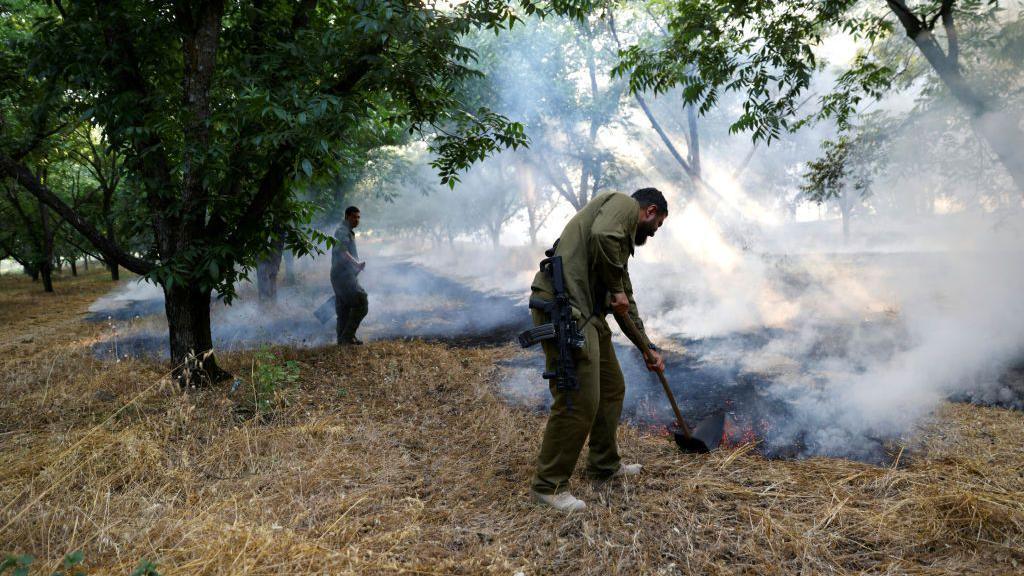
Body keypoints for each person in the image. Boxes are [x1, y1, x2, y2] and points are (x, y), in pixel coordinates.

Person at [529, 188, 668, 512]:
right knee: (579, 399)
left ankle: (604, 465)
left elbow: (625, 305)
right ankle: (548, 486)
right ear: (649, 211)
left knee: (611, 388)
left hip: (587, 315)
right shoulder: (622, 204)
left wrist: (647, 347)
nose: (652, 233)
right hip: (565, 309)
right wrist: (617, 290)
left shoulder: (615, 253)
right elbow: (604, 234)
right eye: (657, 225)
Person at [331, 206, 368, 345]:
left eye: (358, 217)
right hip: (343, 276)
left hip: (342, 275)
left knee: (344, 308)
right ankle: (347, 337)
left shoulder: (347, 231)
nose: (357, 220)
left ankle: (343, 340)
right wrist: (357, 264)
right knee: (362, 302)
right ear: (347, 217)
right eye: (354, 217)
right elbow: (342, 251)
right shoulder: (342, 231)